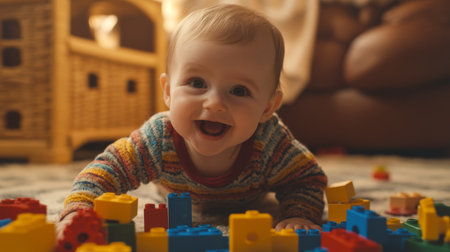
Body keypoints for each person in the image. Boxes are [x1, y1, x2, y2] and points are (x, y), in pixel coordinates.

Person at [58, 4, 327, 234]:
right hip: (171, 198)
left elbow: (306, 179)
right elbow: (106, 170)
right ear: (168, 92)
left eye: (239, 91)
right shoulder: (158, 139)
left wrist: (300, 214)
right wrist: (79, 209)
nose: (214, 103)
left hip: (252, 205)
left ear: (268, 107)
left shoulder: (271, 143)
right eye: (197, 82)